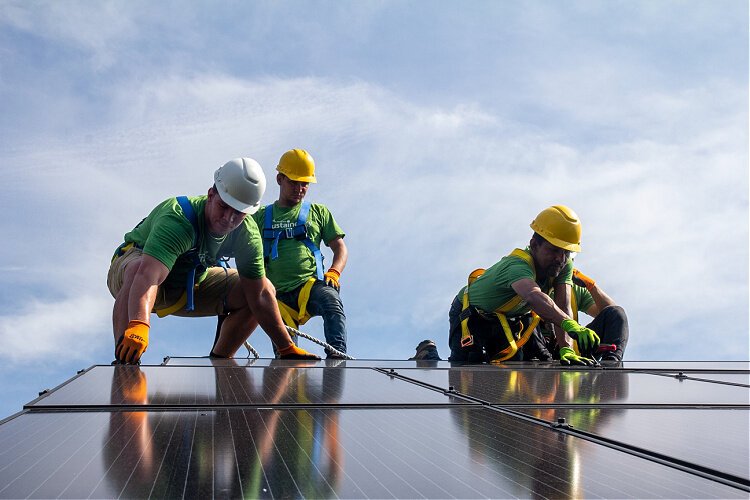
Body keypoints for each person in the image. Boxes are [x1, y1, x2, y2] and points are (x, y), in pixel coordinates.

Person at [107, 157, 320, 364]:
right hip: (137, 277)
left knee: (262, 287)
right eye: (224, 206)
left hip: (188, 285)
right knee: (136, 269)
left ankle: (219, 363)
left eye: (238, 213)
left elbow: (260, 296)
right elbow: (148, 276)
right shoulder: (179, 218)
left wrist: (285, 347)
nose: (229, 219)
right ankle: (127, 362)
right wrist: (139, 324)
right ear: (211, 195)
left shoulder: (247, 235)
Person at [448, 205, 601, 366]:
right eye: (554, 250)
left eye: (566, 252)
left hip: (505, 320)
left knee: (511, 369)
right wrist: (570, 325)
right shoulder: (518, 266)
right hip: (472, 315)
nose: (560, 259)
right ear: (534, 245)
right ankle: (428, 355)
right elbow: (533, 295)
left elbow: (563, 305)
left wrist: (567, 348)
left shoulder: (563, 265)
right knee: (469, 366)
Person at [252, 149, 348, 358]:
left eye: (304, 184)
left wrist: (334, 272)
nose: (300, 188)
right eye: (294, 182)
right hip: (275, 296)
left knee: (331, 302)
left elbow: (340, 247)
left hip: (309, 285)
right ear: (280, 179)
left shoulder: (318, 212)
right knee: (286, 356)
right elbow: (243, 250)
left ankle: (338, 357)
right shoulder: (260, 217)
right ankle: (288, 383)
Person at [537, 268, 629, 365]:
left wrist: (591, 286)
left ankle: (611, 365)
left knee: (616, 312)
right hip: (540, 349)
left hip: (574, 349)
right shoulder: (530, 282)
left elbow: (611, 315)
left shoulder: (573, 289)